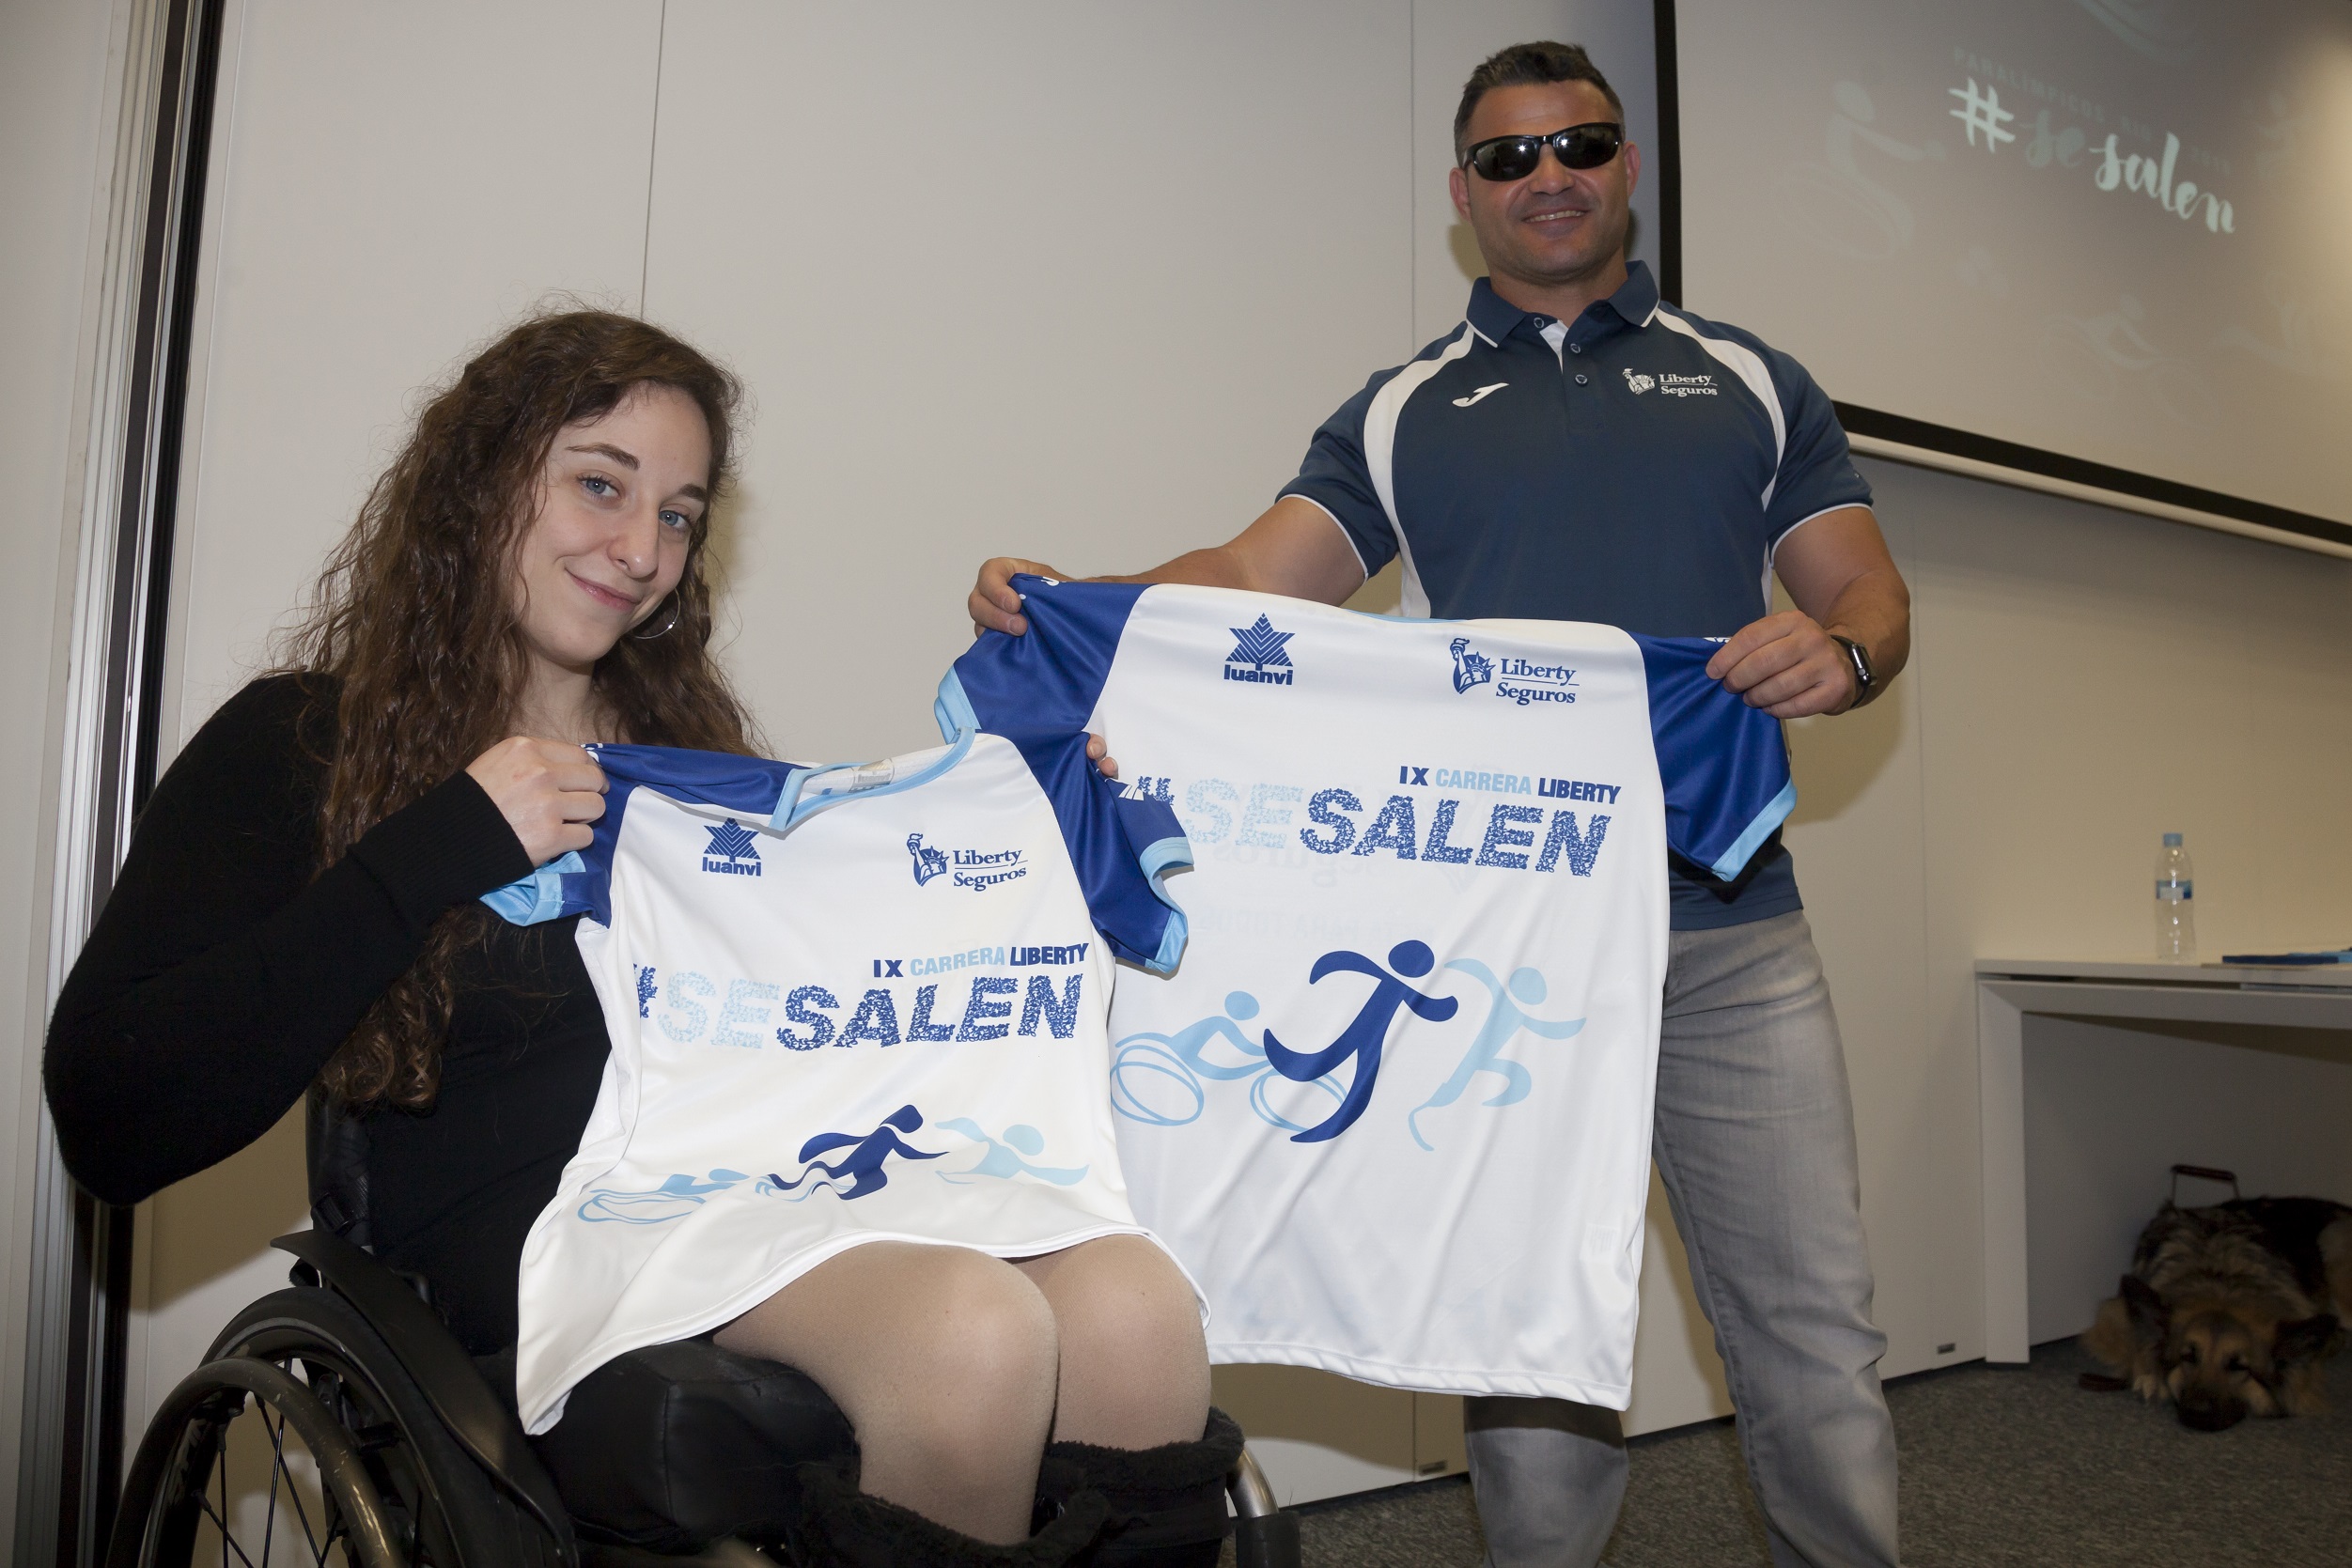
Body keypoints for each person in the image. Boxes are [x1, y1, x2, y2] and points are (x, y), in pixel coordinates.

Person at [46, 310, 1222, 1565]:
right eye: (600, 485)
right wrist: (438, 844)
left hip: (748, 1196)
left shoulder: (691, 768)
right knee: (970, 1331)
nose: (643, 548)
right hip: (528, 1243)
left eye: (678, 514)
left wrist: (1038, 833)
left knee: (1136, 1307)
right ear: (481, 480)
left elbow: (845, 1006)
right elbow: (114, 1115)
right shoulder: (304, 745)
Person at [969, 40, 1907, 1568]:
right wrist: (1082, 598)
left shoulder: (1749, 377)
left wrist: (1848, 648)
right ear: (1463, 194)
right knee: (1524, 1337)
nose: (1549, 177)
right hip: (1509, 950)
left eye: (1580, 144)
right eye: (1508, 157)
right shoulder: (1405, 407)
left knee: (1816, 1331)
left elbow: (1865, 583)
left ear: (1629, 166)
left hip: (1733, 936)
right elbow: (1251, 576)